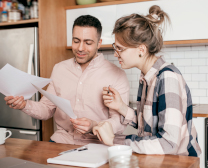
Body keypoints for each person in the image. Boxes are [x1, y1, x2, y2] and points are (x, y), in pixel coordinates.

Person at [93, 5, 201, 157]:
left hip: (178, 162)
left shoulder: (168, 77)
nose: (115, 53)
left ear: (141, 50)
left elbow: (169, 144)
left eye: (120, 48)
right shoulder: (147, 78)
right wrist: (121, 107)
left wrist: (114, 139)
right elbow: (150, 123)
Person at [4, 15, 130, 145]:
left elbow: (119, 122)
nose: (80, 48)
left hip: (98, 144)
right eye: (76, 41)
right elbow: (46, 109)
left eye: (88, 43)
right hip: (62, 141)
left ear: (99, 43)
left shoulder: (117, 74)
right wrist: (24, 105)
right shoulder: (59, 69)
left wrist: (94, 126)